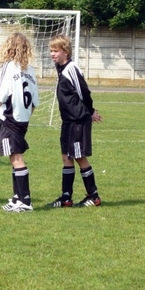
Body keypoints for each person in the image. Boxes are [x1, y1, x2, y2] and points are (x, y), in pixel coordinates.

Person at [47, 34, 103, 208]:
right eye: (51, 51)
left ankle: (93, 196)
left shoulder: (71, 69)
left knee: (79, 156)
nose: (52, 54)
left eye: (55, 51)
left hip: (78, 121)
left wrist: (90, 111)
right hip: (67, 121)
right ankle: (66, 198)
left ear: (65, 51)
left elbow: (84, 93)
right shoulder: (60, 68)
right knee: (66, 157)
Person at [0, 33, 40, 213]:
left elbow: (3, 91)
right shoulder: (31, 70)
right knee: (13, 157)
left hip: (8, 117)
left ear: (8, 47)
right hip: (23, 118)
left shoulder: (9, 66)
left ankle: (26, 201)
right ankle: (17, 198)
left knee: (16, 158)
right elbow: (35, 101)